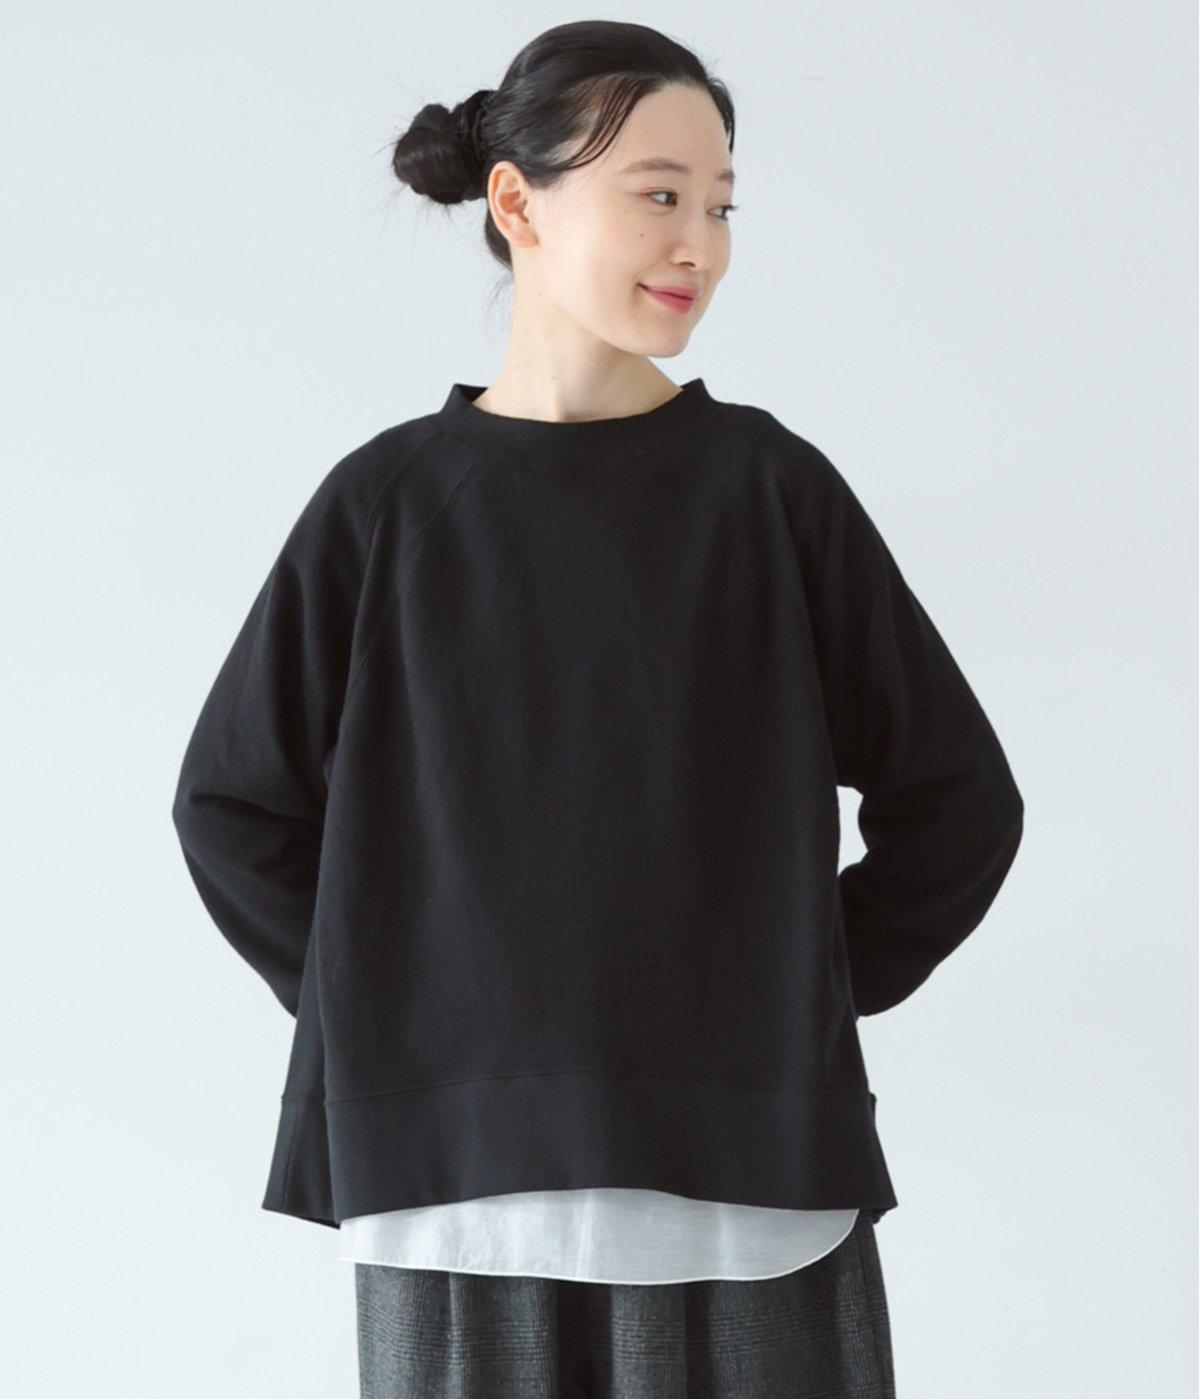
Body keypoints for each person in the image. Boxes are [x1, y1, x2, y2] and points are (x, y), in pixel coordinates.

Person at [170, 18, 1023, 1399]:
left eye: (721, 205)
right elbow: (230, 807)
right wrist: (395, 1005)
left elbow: (960, 804)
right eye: (660, 194)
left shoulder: (768, 492)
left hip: (749, 1192)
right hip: (459, 1201)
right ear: (519, 205)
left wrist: (788, 993)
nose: (702, 245)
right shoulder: (388, 504)